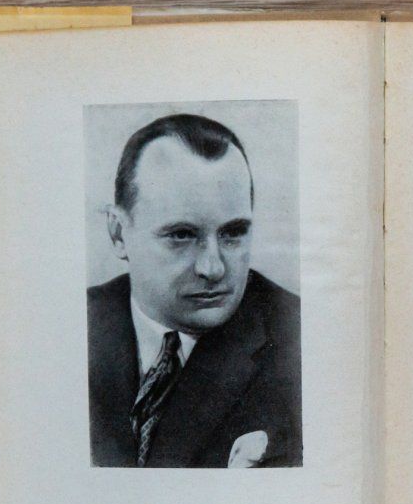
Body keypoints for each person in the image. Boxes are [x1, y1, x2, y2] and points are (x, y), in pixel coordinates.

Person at [87, 114, 302, 468]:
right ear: (118, 233)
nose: (213, 268)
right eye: (182, 235)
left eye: (233, 233)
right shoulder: (70, 327)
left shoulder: (300, 341)